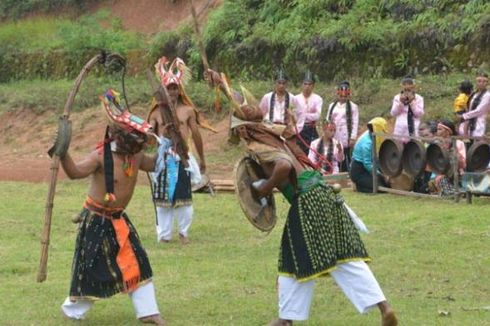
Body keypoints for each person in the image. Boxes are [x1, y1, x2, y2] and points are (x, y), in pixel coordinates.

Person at [206, 70, 397, 326]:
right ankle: (383, 307)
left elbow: (283, 167)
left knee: (291, 255)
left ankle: (286, 318)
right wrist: (221, 83)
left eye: (238, 131)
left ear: (243, 132)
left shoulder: (260, 145)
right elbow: (243, 105)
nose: (238, 136)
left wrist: (265, 189)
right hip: (323, 194)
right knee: (342, 254)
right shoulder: (270, 132)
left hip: (306, 200)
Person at [58, 89, 165, 325]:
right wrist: (62, 152)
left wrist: (169, 143)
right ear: (120, 137)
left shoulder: (136, 156)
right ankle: (72, 311)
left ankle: (149, 312)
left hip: (119, 220)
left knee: (138, 261)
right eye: (136, 138)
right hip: (96, 220)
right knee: (91, 268)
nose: (140, 144)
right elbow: (75, 172)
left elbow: (155, 164)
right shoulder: (99, 156)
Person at [148, 56, 206, 245]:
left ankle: (183, 232)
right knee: (163, 199)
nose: (172, 91)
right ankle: (164, 235)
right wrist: (161, 135)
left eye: (175, 88)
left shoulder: (188, 110)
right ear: (163, 89)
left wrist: (202, 158)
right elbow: (148, 139)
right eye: (169, 88)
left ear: (179, 90)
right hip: (163, 159)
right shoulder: (156, 113)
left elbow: (196, 135)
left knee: (183, 196)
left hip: (182, 157)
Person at [325, 81, 359, 172]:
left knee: (346, 155)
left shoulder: (353, 107)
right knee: (333, 152)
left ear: (348, 95)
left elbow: (355, 122)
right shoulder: (332, 106)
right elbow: (328, 119)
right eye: (341, 95)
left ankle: (346, 172)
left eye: (345, 96)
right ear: (338, 94)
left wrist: (352, 137)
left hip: (346, 134)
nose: (343, 97)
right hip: (334, 133)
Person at [350, 117, 390, 193]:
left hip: (369, 168)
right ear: (377, 130)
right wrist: (381, 175)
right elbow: (367, 164)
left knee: (386, 184)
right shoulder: (367, 143)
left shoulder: (370, 134)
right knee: (380, 188)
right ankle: (357, 186)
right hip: (359, 171)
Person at [429, 120, 466, 197]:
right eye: (437, 129)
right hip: (440, 174)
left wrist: (453, 150)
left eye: (440, 129)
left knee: (464, 181)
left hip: (457, 172)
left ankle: (460, 192)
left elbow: (463, 164)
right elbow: (432, 163)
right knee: (441, 180)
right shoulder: (436, 144)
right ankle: (454, 193)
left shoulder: (459, 143)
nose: (437, 132)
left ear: (448, 131)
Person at [295, 70, 323, 154]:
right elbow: (293, 115)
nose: (307, 86)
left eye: (309, 84)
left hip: (311, 129)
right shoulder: (295, 98)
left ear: (313, 85)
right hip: (298, 129)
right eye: (305, 84)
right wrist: (305, 116)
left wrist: (302, 115)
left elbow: (317, 115)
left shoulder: (318, 99)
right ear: (302, 84)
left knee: (314, 152)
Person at [390, 75, 424, 142]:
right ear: (402, 87)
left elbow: (419, 114)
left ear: (413, 87)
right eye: (405, 87)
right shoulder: (397, 98)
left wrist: (412, 103)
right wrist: (401, 103)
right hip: (400, 131)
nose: (407, 90)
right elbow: (393, 113)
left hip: (414, 129)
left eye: (409, 88)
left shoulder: (419, 98)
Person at [458, 71, 490, 138]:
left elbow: (479, 110)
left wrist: (464, 116)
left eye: (484, 81)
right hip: (469, 122)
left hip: (479, 123)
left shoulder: (487, 95)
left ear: (487, 83)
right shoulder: (474, 94)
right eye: (479, 81)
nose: (482, 83)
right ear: (476, 82)